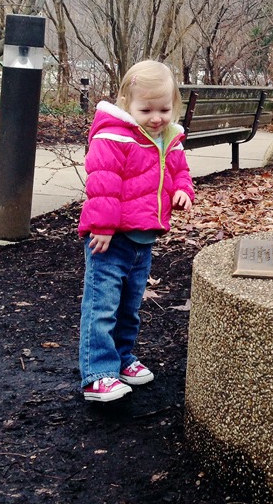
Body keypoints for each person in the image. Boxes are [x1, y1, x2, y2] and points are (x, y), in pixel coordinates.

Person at [77, 60, 194, 402]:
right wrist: (102, 226)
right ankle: (98, 373)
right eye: (146, 110)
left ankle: (122, 358)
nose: (156, 118)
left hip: (143, 238)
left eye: (164, 110)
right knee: (102, 306)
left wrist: (183, 190)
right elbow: (103, 183)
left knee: (129, 306)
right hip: (110, 239)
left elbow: (180, 171)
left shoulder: (168, 139)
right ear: (126, 103)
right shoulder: (114, 136)